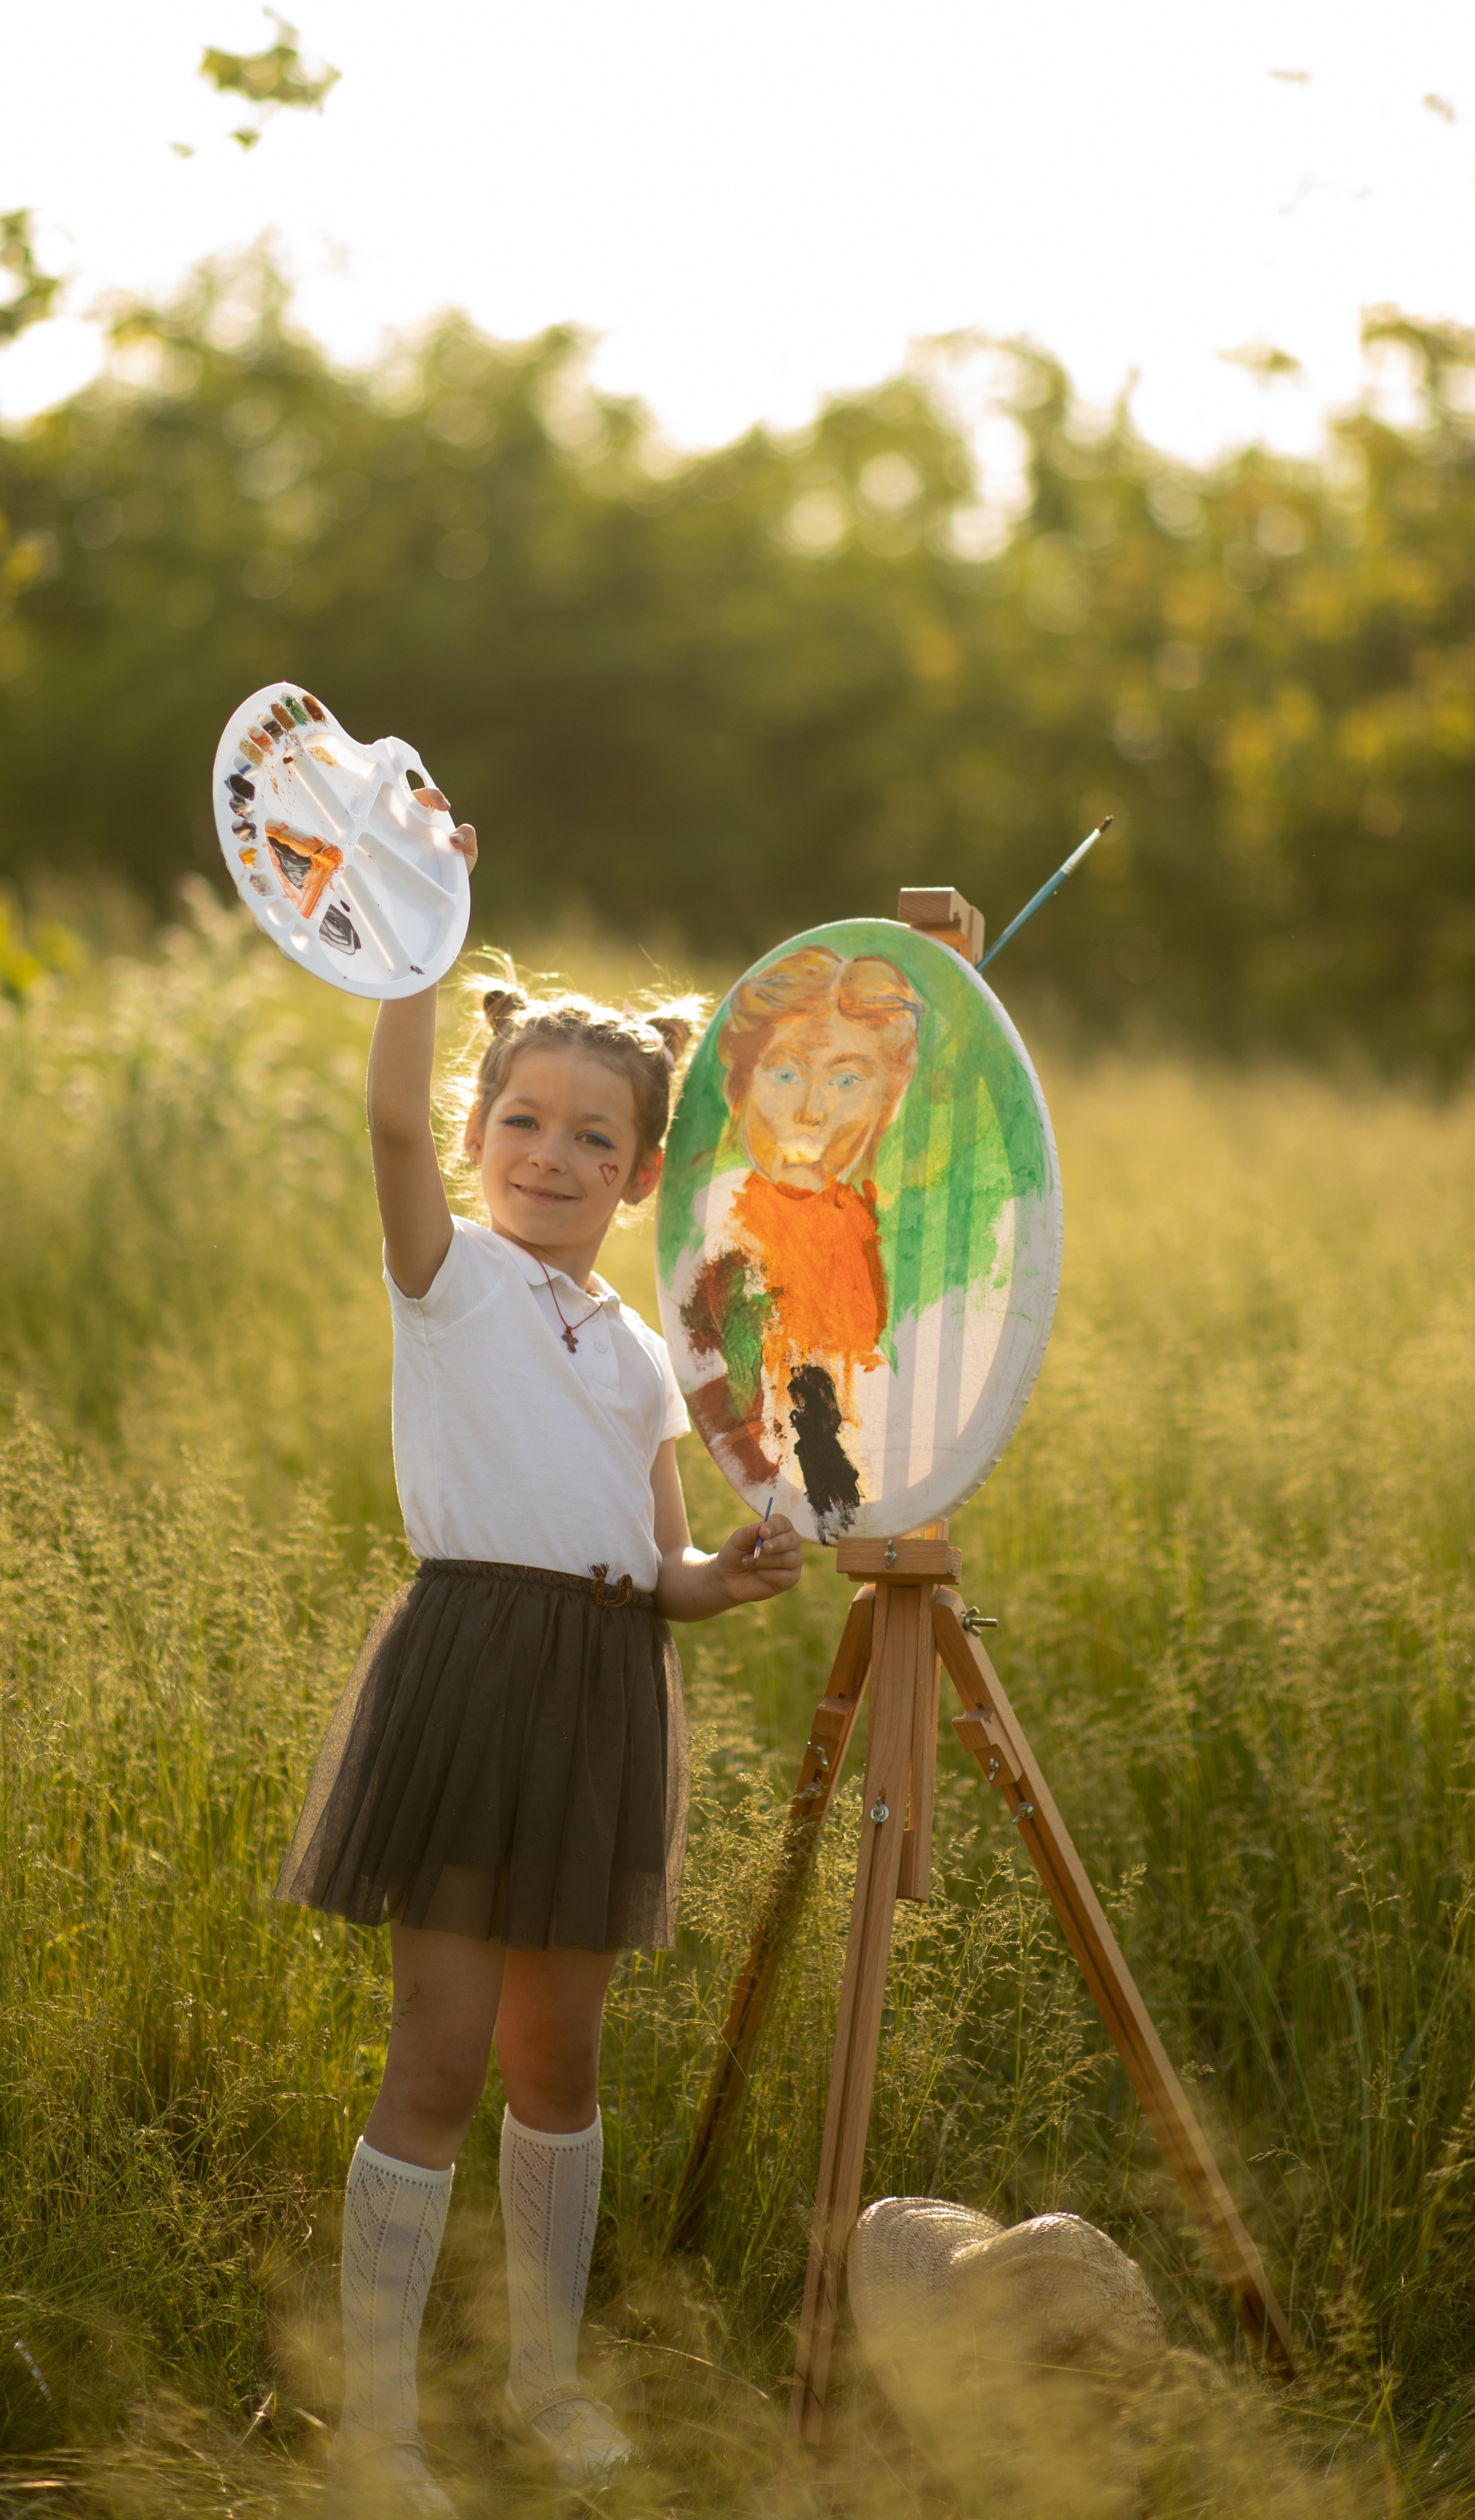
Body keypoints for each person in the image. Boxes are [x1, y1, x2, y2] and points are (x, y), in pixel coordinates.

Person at [274, 812, 802, 2512]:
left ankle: (548, 2382)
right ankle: (376, 2425)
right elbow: (380, 1120)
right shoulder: (454, 1284)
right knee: (436, 2054)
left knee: (555, 2066)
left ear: (644, 1173)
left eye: (594, 1138)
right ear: (478, 1135)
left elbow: (649, 1564)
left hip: (598, 1693)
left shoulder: (647, 1352)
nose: (552, 1157)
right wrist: (423, 938)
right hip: (468, 1676)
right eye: (520, 1124)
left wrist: (716, 1580)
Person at [673, 943, 924, 1539]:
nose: (813, 1110)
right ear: (739, 1086)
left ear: (887, 1102)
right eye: (785, 1072)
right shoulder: (725, 1232)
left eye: (847, 1078)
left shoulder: (859, 1224)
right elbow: (745, 1417)